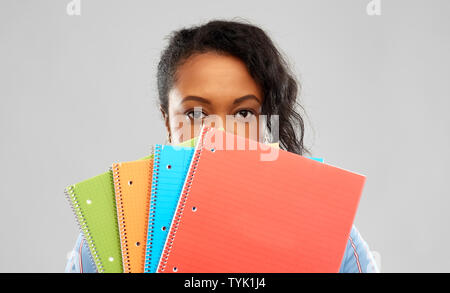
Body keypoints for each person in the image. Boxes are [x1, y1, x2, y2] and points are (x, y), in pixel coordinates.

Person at [65, 19, 379, 273]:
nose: (219, 135)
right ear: (167, 121)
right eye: (196, 113)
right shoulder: (112, 231)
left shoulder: (331, 235)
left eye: (243, 113)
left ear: (266, 123)